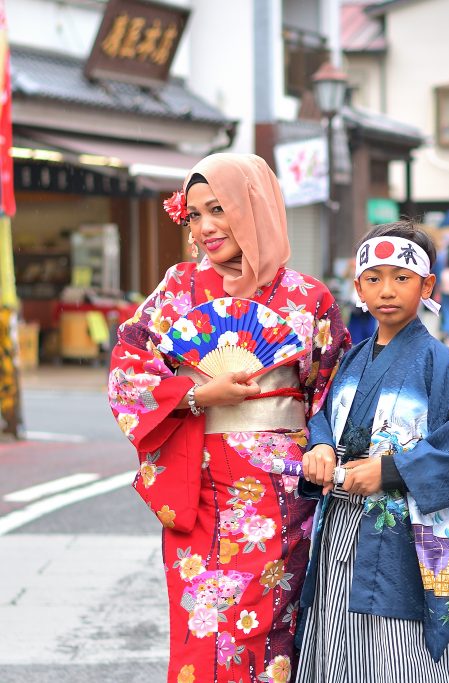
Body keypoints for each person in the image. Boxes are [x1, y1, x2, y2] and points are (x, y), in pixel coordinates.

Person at [107, 153, 350, 683]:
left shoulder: (308, 298)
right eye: (194, 215)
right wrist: (198, 395)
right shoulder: (177, 289)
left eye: (219, 209)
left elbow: (334, 391)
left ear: (253, 207)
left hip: (282, 494)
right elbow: (127, 373)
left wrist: (324, 444)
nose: (206, 227)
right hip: (199, 482)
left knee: (274, 633)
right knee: (202, 625)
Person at [295, 221, 449, 683]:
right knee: (339, 639)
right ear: (358, 287)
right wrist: (318, 447)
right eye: (373, 279)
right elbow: (324, 419)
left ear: (427, 284)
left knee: (402, 655)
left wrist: (392, 470)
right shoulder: (352, 359)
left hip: (404, 538)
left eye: (402, 278)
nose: (386, 290)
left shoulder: (444, 367)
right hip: (341, 528)